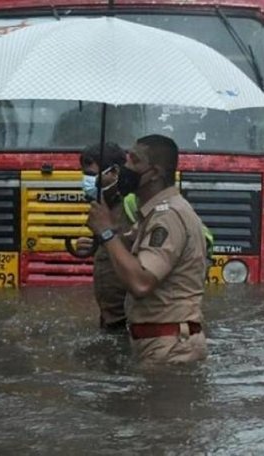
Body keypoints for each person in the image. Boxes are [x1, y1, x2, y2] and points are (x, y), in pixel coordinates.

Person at [87, 134, 208, 364]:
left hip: (170, 348)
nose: (126, 167)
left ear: (154, 173)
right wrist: (106, 231)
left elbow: (141, 282)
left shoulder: (168, 216)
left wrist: (106, 232)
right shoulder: (153, 214)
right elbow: (128, 252)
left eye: (134, 161)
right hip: (160, 343)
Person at [75, 142, 132, 331]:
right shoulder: (101, 206)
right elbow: (113, 249)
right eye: (84, 175)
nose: (86, 181)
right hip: (110, 317)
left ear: (115, 172)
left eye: (91, 175)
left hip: (131, 319)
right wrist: (92, 246)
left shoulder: (132, 205)